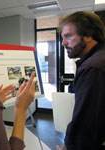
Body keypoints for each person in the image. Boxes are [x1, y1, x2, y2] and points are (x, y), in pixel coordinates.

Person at [56, 11, 105, 150]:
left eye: (69, 36)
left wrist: (67, 147)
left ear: (89, 35)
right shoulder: (96, 60)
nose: (63, 43)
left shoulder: (93, 68)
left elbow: (85, 127)